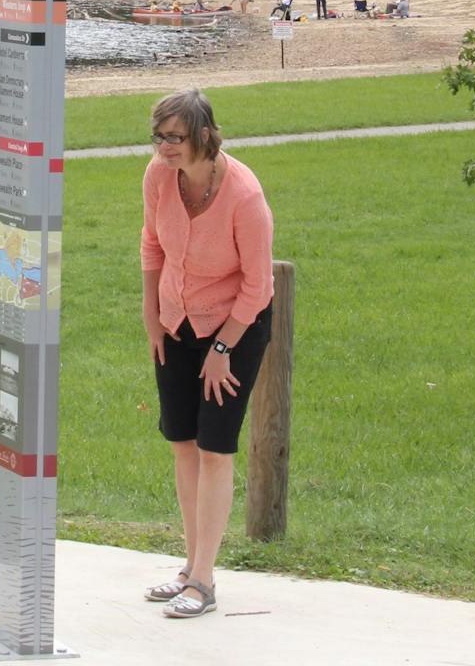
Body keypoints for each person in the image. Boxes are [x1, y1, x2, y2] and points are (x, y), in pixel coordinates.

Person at [139, 89, 274, 620]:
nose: (164, 147)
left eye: (174, 137)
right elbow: (151, 244)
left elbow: (259, 287)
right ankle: (188, 565)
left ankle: (205, 580)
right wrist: (152, 315)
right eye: (158, 136)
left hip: (234, 326)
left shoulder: (244, 195)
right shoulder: (156, 177)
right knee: (183, 444)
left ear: (202, 136)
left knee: (216, 448)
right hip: (175, 321)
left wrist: (222, 348)